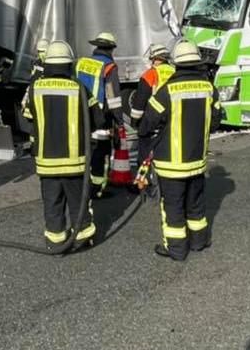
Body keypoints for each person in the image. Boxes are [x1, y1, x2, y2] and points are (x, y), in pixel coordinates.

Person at [137, 40, 216, 260]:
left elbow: (147, 124)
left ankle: (177, 250)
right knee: (196, 204)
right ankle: (200, 241)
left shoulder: (167, 90)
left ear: (177, 63)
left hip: (171, 164)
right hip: (197, 161)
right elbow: (217, 120)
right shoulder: (209, 87)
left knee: (172, 208)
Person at [22, 41, 97, 250]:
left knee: (52, 202)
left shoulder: (35, 88)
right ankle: (82, 237)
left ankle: (55, 241)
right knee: (78, 201)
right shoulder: (80, 88)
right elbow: (98, 119)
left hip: (47, 161)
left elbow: (28, 117)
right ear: (69, 64)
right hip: (76, 162)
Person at [76, 32, 122, 197]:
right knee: (100, 153)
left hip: (81, 113)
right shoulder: (109, 67)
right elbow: (112, 96)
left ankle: (83, 185)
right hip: (101, 117)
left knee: (85, 149)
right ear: (111, 49)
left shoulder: (82, 62)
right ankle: (96, 190)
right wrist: (119, 121)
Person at [127, 43, 174, 135]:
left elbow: (140, 100)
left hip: (156, 120)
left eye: (152, 60)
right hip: (174, 117)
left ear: (156, 58)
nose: (152, 63)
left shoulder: (150, 74)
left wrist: (135, 122)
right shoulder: (175, 71)